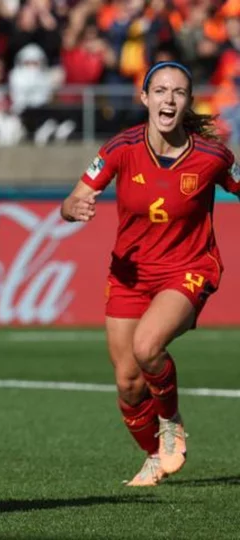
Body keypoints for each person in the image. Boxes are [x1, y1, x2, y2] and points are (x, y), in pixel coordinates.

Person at [60, 61, 240, 486]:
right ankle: (155, 455)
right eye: (160, 91)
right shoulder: (121, 147)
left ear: (188, 101)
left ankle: (171, 422)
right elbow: (72, 200)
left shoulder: (212, 156)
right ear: (144, 98)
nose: (169, 99)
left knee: (147, 346)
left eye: (178, 92)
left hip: (189, 269)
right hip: (129, 275)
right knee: (127, 384)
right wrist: (75, 209)